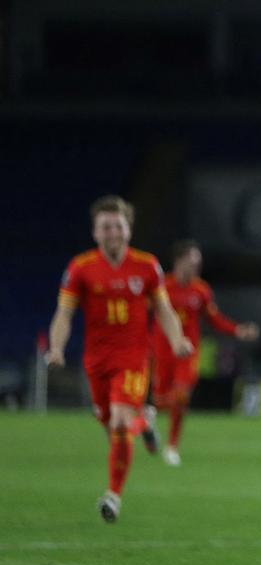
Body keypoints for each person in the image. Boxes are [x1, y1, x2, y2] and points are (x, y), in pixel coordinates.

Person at [46, 195, 193, 522]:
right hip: (97, 361)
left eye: (118, 226)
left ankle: (113, 496)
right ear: (95, 232)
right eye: (105, 227)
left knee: (119, 422)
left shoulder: (146, 266)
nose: (112, 232)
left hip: (134, 358)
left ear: (129, 229)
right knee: (112, 427)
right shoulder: (80, 268)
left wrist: (177, 340)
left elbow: (164, 309)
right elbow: (64, 314)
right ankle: (146, 422)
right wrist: (56, 348)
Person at [151, 240, 260, 466]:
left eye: (198, 263)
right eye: (192, 262)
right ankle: (148, 419)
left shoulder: (201, 290)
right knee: (160, 401)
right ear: (179, 261)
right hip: (162, 350)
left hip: (187, 352)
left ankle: (172, 446)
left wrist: (237, 330)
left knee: (181, 395)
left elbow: (214, 319)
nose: (196, 267)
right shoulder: (162, 287)